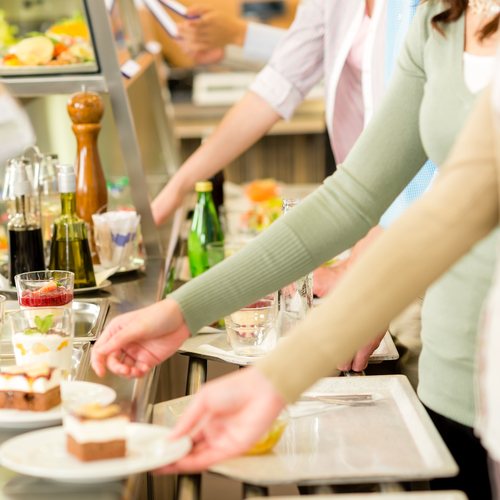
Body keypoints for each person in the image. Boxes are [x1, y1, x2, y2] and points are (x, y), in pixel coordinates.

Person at [91, 1, 500, 498]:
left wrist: (279, 377)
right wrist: (185, 309)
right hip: (454, 371)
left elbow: (441, 214)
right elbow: (354, 198)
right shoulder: (441, 19)